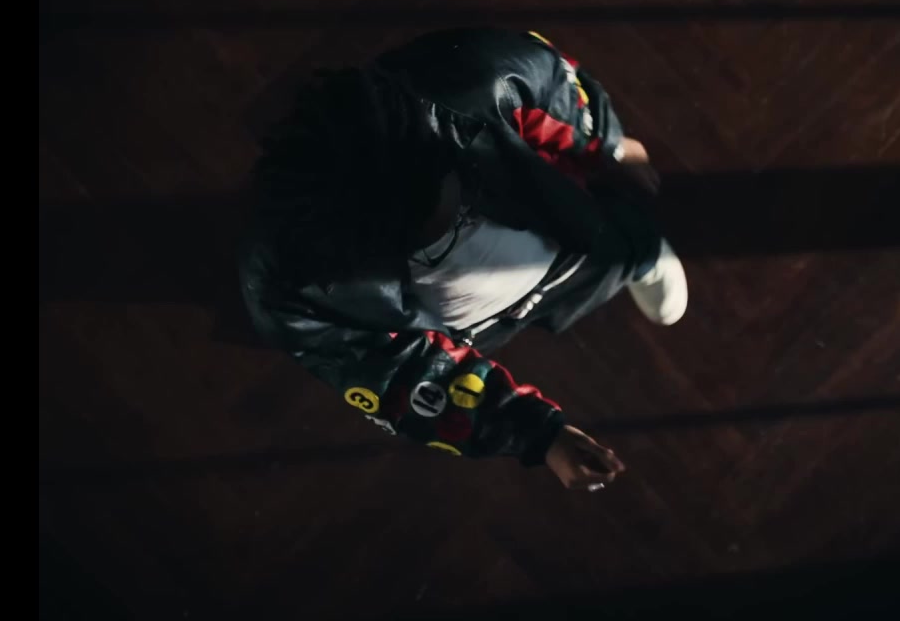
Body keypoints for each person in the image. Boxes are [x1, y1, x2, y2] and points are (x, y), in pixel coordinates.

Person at [239, 28, 687, 491]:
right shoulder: (286, 291)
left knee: (605, 247)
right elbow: (401, 378)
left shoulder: (479, 75)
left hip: (562, 216)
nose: (461, 219)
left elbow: (561, 97)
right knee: (556, 294)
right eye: (429, 241)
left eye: (447, 195)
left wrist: (609, 146)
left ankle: (640, 253)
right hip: (478, 319)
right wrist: (537, 434)